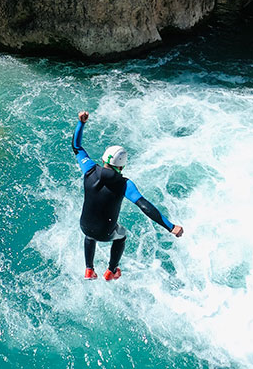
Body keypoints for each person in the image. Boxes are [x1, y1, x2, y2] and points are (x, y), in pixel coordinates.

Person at [72, 111, 183, 281]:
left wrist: (81, 123)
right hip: (105, 232)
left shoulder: (89, 170)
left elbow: (77, 146)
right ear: (122, 167)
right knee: (121, 234)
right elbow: (144, 205)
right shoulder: (124, 184)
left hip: (84, 225)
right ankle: (111, 270)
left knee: (90, 234)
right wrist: (170, 226)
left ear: (104, 159)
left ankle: (89, 269)